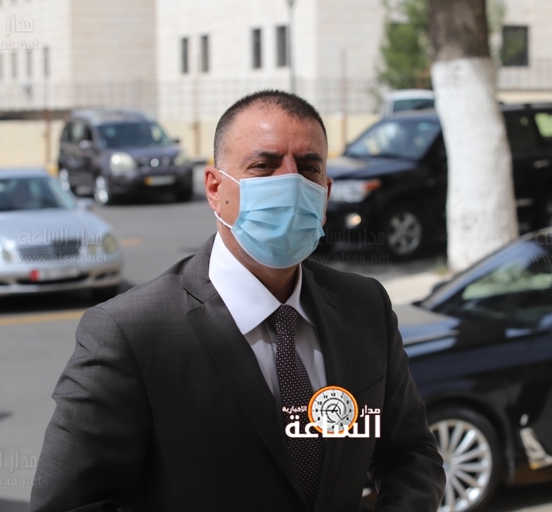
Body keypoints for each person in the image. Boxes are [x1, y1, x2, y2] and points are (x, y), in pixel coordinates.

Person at [30, 90, 445, 512]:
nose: (291, 183)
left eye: (308, 168)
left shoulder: (364, 307)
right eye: (264, 166)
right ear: (215, 188)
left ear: (326, 192)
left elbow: (410, 453)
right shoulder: (131, 334)